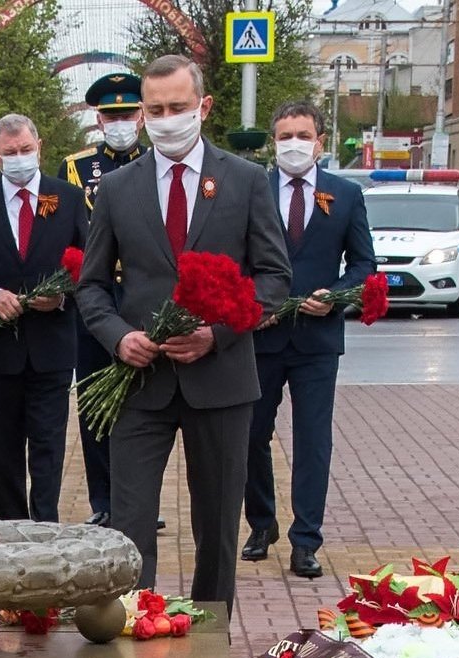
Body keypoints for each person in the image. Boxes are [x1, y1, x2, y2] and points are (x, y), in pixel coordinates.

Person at [75, 55, 291, 606]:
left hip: (220, 382)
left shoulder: (244, 181)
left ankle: (210, 641)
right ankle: (132, 626)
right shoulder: (119, 189)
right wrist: (118, 335)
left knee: (217, 527)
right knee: (130, 525)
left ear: (203, 107)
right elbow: (92, 286)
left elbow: (273, 279)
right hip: (139, 382)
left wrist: (217, 333)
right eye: (156, 109)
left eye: (178, 107)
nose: (167, 118)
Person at [242, 102, 376, 579]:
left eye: (302, 134)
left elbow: (364, 264)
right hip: (261, 337)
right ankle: (261, 524)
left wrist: (336, 296)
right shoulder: (252, 188)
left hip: (318, 338)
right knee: (250, 435)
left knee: (312, 441)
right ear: (272, 142)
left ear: (320, 141)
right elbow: (236, 255)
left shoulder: (345, 194)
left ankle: (306, 540)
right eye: (283, 136)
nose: (292, 144)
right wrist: (251, 303)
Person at [0, 114, 88, 522]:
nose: (20, 159)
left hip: (53, 347)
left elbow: (89, 265)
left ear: (40, 146)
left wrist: (62, 297)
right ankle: (10, 528)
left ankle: (45, 527)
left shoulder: (68, 199)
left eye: (26, 150)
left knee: (48, 445)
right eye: (11, 153)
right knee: (3, 449)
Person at [63, 71, 160, 531]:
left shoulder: (161, 160)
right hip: (99, 294)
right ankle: (104, 498)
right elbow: (77, 232)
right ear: (98, 119)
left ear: (140, 115)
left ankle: (142, 501)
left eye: (127, 113)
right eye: (111, 115)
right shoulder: (78, 167)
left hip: (144, 293)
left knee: (148, 405)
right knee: (95, 402)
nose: (120, 122)